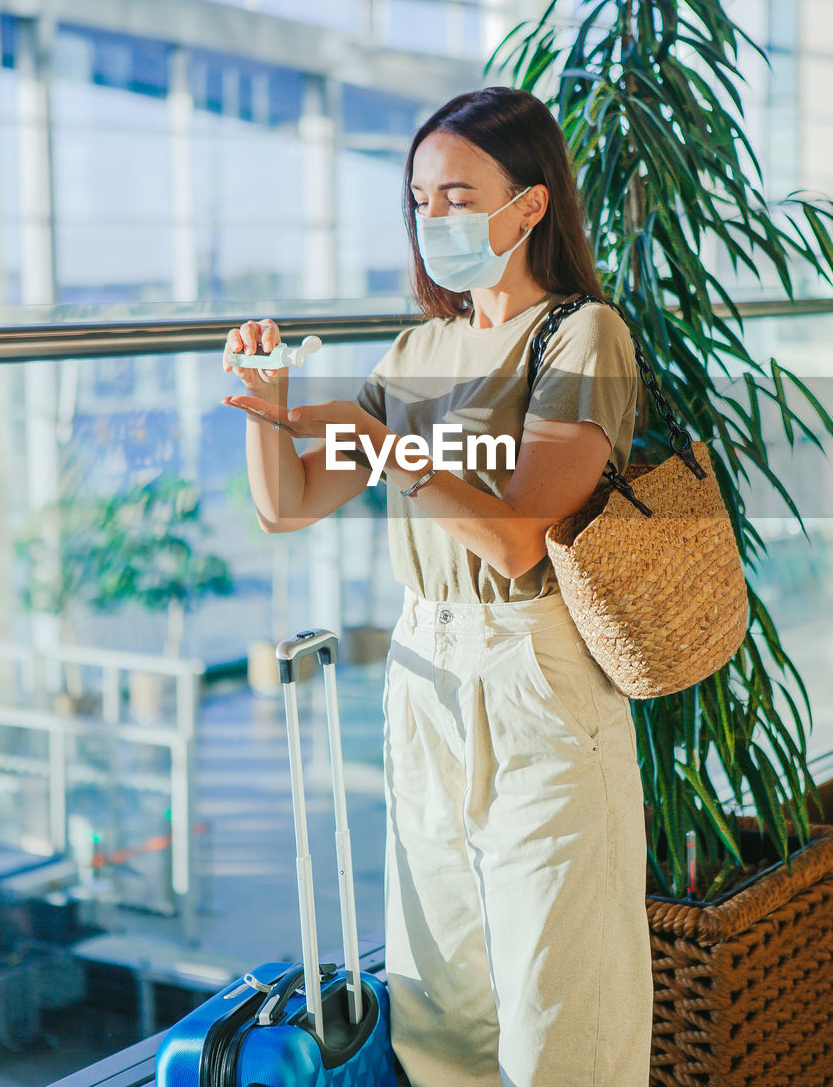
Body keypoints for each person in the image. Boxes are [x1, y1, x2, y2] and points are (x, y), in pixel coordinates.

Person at [222, 86, 653, 1087]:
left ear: (529, 205)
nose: (434, 218)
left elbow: (515, 538)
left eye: (457, 194)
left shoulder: (581, 336)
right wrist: (265, 404)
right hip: (423, 674)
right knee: (438, 998)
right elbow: (286, 504)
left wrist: (389, 446)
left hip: (533, 672)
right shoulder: (417, 351)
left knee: (562, 1003)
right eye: (420, 198)